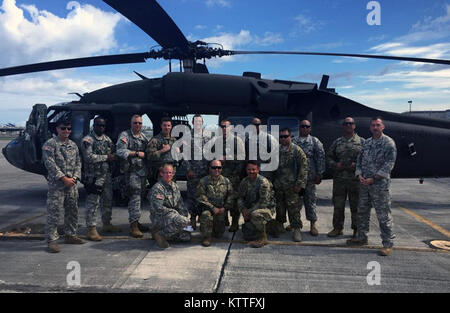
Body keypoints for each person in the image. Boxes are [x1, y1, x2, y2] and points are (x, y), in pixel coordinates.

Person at [347, 117, 397, 257]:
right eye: (373, 125)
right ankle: (362, 238)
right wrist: (359, 175)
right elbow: (359, 161)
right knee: (362, 212)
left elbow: (389, 164)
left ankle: (387, 244)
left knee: (383, 216)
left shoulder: (388, 143)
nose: (375, 127)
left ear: (383, 127)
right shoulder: (367, 143)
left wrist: (373, 178)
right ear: (370, 128)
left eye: (378, 125)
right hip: (364, 185)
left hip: (379, 186)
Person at [42, 118, 84, 253]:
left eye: (69, 129)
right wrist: (63, 178)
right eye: (63, 128)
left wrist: (75, 177)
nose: (66, 131)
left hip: (71, 184)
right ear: (57, 129)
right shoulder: (50, 144)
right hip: (57, 185)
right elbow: (49, 163)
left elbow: (79, 162)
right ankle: (52, 240)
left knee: (72, 211)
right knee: (54, 212)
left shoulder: (73, 145)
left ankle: (70, 235)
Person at [81, 117, 120, 242]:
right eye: (98, 125)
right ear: (94, 125)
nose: (101, 128)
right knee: (93, 202)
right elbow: (88, 157)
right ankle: (91, 228)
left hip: (106, 175)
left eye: (103, 126)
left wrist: (112, 160)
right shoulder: (88, 140)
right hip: (94, 176)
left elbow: (113, 153)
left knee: (108, 199)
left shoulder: (107, 139)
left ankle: (107, 223)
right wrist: (106, 157)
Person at [326, 117, 365, 238]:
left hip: (355, 180)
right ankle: (337, 228)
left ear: (354, 126)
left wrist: (357, 166)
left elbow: (368, 160)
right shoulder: (337, 142)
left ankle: (357, 229)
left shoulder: (362, 142)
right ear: (343, 126)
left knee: (356, 206)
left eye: (350, 123)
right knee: (338, 205)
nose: (348, 125)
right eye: (346, 123)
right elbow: (329, 157)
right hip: (340, 180)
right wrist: (335, 165)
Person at [206, 119, 246, 232]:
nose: (224, 129)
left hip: (234, 176)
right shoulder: (216, 141)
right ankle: (224, 219)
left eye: (226, 126)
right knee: (221, 198)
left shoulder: (237, 140)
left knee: (232, 200)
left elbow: (242, 156)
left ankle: (234, 222)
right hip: (220, 176)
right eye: (222, 127)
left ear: (230, 128)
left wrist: (227, 157)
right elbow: (210, 155)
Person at [116, 115, 150, 238]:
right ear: (131, 124)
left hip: (142, 173)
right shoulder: (125, 136)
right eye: (135, 123)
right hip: (131, 173)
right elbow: (120, 151)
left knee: (140, 198)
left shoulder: (143, 137)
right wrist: (135, 153)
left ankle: (137, 221)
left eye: (140, 123)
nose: (138, 125)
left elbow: (147, 151)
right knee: (134, 198)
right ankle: (133, 226)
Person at [273, 127, 308, 242]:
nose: (283, 139)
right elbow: (272, 167)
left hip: (292, 186)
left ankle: (296, 228)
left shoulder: (297, 150)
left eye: (285, 136)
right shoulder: (276, 150)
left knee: (293, 208)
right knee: (280, 207)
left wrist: (299, 184)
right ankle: (279, 225)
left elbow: (303, 168)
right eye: (281, 137)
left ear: (290, 137)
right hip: (279, 185)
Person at [292, 120, 325, 236]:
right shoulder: (293, 141)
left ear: (310, 128)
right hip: (296, 178)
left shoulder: (315, 141)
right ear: (299, 128)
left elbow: (320, 157)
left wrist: (320, 174)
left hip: (310, 178)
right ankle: (295, 224)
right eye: (302, 126)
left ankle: (313, 224)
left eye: (307, 126)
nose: (305, 128)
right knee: (295, 202)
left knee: (310, 201)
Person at [148, 163, 191, 249]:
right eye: (166, 172)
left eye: (170, 173)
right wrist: (177, 215)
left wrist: (186, 218)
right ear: (161, 173)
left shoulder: (175, 186)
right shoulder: (158, 188)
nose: (168, 175)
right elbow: (158, 208)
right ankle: (160, 234)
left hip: (172, 217)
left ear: (173, 174)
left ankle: (164, 234)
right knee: (182, 221)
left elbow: (180, 204)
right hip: (160, 217)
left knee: (187, 235)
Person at [182, 114, 212, 230]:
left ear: (202, 122)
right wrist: (188, 169)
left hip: (205, 172)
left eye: (200, 121)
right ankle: (193, 218)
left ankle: (202, 217)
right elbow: (184, 155)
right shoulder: (188, 137)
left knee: (204, 196)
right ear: (193, 123)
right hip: (193, 173)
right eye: (196, 121)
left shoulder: (207, 136)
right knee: (192, 196)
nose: (198, 123)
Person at [237, 161, 276, 248]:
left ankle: (263, 238)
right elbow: (240, 198)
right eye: (249, 169)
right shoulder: (244, 181)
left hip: (265, 209)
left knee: (256, 214)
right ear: (246, 170)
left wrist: (249, 212)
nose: (251, 171)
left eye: (253, 169)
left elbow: (263, 203)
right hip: (251, 209)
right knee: (247, 235)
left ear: (258, 170)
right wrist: (243, 209)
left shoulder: (263, 182)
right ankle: (270, 227)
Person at [196, 160, 233, 247]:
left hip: (221, 210)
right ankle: (206, 237)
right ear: (209, 169)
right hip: (208, 209)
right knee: (206, 215)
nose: (217, 170)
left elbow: (231, 196)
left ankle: (215, 228)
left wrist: (225, 208)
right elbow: (200, 196)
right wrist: (212, 207)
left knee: (219, 234)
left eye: (219, 167)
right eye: (214, 167)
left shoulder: (226, 181)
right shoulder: (204, 181)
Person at [146, 117, 179, 186]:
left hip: (172, 172)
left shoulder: (174, 140)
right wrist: (162, 151)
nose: (166, 127)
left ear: (171, 127)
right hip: (161, 172)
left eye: (168, 125)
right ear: (161, 126)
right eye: (164, 125)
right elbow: (149, 156)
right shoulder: (155, 140)